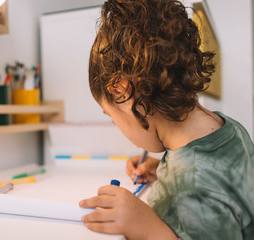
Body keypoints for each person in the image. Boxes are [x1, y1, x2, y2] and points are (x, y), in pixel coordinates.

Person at [78, 0, 254, 239]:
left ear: (121, 90)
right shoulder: (228, 127)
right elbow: (224, 184)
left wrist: (148, 229)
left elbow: (200, 187)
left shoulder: (190, 187)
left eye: (112, 117)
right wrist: (165, 171)